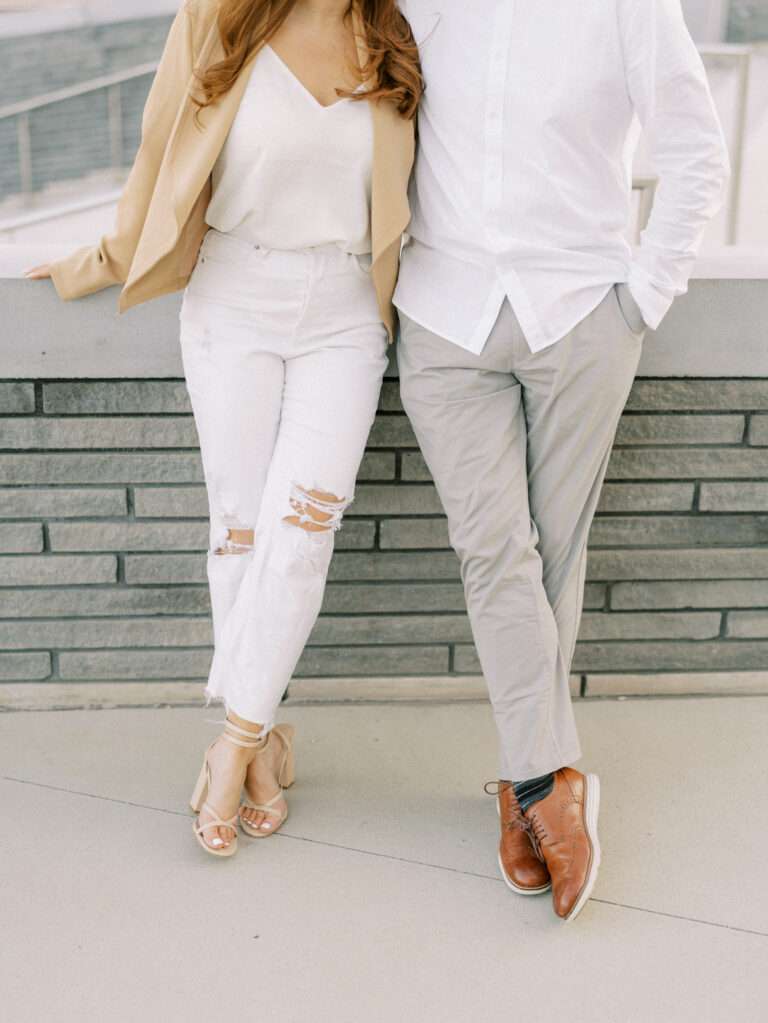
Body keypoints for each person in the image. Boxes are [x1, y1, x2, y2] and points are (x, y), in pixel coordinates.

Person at [25, 0, 421, 858]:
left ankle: (234, 742)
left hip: (347, 311)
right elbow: (158, 154)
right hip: (234, 297)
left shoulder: (397, 36)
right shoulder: (218, 20)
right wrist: (95, 260)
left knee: (305, 530)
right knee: (239, 529)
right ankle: (265, 742)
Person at [394, 0, 730, 920]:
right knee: (493, 547)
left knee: (552, 545)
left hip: (580, 309)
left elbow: (697, 148)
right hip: (441, 311)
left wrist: (641, 298)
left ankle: (522, 779)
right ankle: (549, 783)